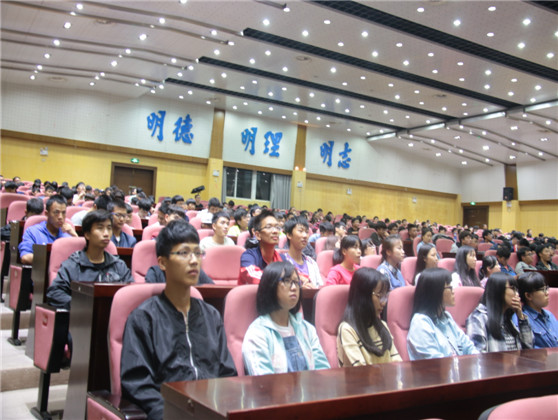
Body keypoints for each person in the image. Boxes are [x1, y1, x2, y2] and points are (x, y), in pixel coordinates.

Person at [121, 220, 236, 419]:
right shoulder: (144, 318)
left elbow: (227, 374)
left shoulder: (211, 315)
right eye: (184, 253)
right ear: (162, 262)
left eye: (198, 253)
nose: (194, 261)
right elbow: (138, 384)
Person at [242, 261, 330, 375]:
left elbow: (323, 371)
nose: (294, 288)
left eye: (296, 282)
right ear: (270, 286)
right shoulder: (257, 334)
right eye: (287, 281)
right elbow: (263, 381)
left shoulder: (307, 329)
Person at [46, 210, 133, 310]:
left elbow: (131, 292)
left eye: (109, 228)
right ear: (87, 234)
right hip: (81, 317)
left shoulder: (119, 265)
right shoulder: (73, 264)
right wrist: (84, 307)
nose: (106, 234)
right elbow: (55, 293)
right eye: (100, 228)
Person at [407, 268, 478, 360]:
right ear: (435, 291)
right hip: (439, 369)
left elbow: (468, 347)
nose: (453, 291)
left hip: (459, 367)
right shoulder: (420, 323)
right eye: (449, 287)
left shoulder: (446, 317)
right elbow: (436, 363)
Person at [337, 267, 401, 366]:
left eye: (385, 296)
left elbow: (397, 362)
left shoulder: (383, 325)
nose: (383, 303)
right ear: (363, 296)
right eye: (380, 296)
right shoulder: (347, 330)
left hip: (388, 376)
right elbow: (360, 370)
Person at [466, 272, 533, 353]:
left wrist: (521, 317)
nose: (517, 294)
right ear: (498, 290)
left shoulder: (508, 319)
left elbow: (529, 348)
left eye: (517, 290)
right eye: (512, 289)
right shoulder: (478, 318)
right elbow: (476, 356)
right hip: (494, 362)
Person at [18, 194, 78, 264]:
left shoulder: (68, 234)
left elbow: (80, 259)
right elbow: (25, 257)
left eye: (63, 213)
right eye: (56, 212)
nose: (60, 217)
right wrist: (54, 259)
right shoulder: (33, 232)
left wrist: (74, 235)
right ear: (47, 214)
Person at [239, 209, 282, 284]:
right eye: (269, 227)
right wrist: (280, 282)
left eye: (277, 227)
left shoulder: (282, 258)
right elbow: (252, 274)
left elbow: (294, 276)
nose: (275, 231)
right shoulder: (248, 256)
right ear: (258, 235)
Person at [517, 272, 558, 348]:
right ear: (528, 295)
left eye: (546, 288)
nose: (547, 293)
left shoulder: (549, 315)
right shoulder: (521, 319)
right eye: (543, 290)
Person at [281, 216, 322, 288]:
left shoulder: (312, 262)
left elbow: (319, 286)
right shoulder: (281, 261)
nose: (305, 235)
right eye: (300, 231)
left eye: (307, 232)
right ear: (289, 235)